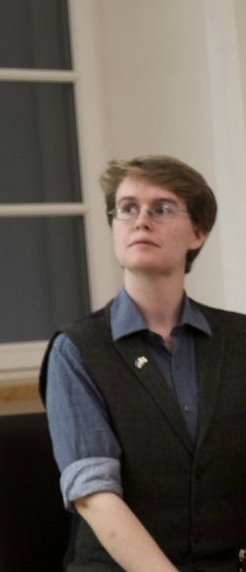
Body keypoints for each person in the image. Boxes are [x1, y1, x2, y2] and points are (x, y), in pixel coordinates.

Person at [41, 155, 246, 572]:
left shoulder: (239, 339)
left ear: (199, 233)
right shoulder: (76, 350)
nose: (141, 221)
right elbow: (94, 496)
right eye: (128, 208)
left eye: (162, 208)